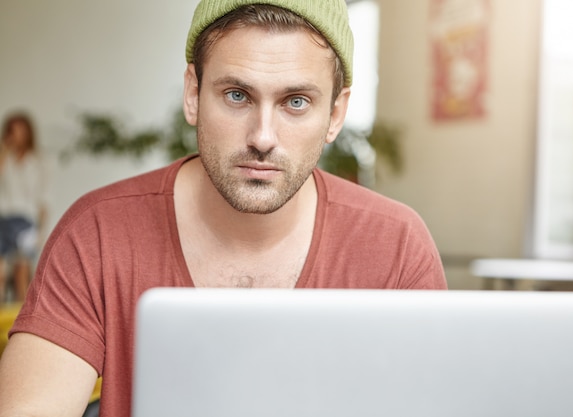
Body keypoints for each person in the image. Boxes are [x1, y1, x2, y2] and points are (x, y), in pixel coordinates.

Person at [0, 1, 447, 416]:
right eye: (237, 95)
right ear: (193, 94)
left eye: (296, 102)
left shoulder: (396, 245)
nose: (263, 136)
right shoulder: (97, 232)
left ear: (335, 114)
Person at [0, 112, 49, 303]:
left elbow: (44, 197)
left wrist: (41, 230)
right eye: (13, 130)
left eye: (21, 130)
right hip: (3, 218)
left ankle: (23, 317)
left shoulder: (39, 161)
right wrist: (5, 150)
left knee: (23, 271)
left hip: (26, 220)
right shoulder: (5, 157)